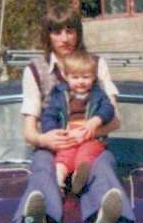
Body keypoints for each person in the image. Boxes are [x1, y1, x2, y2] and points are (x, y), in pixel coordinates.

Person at [11, 4, 136, 223]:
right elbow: (29, 132)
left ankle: (106, 218)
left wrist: (90, 131)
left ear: (78, 33)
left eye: (70, 31)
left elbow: (115, 120)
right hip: (54, 145)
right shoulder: (34, 71)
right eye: (57, 32)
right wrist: (46, 139)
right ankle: (37, 221)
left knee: (103, 165)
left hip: (91, 141)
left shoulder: (96, 64)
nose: (64, 38)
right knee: (42, 167)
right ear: (47, 35)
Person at [40, 49, 116, 197]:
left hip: (91, 135)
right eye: (75, 77)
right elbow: (49, 115)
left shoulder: (98, 94)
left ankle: (79, 177)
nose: (80, 81)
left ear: (94, 77)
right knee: (63, 156)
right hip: (68, 134)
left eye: (85, 77)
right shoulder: (59, 95)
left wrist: (96, 120)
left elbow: (108, 109)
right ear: (66, 77)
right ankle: (58, 180)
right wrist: (53, 131)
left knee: (87, 154)